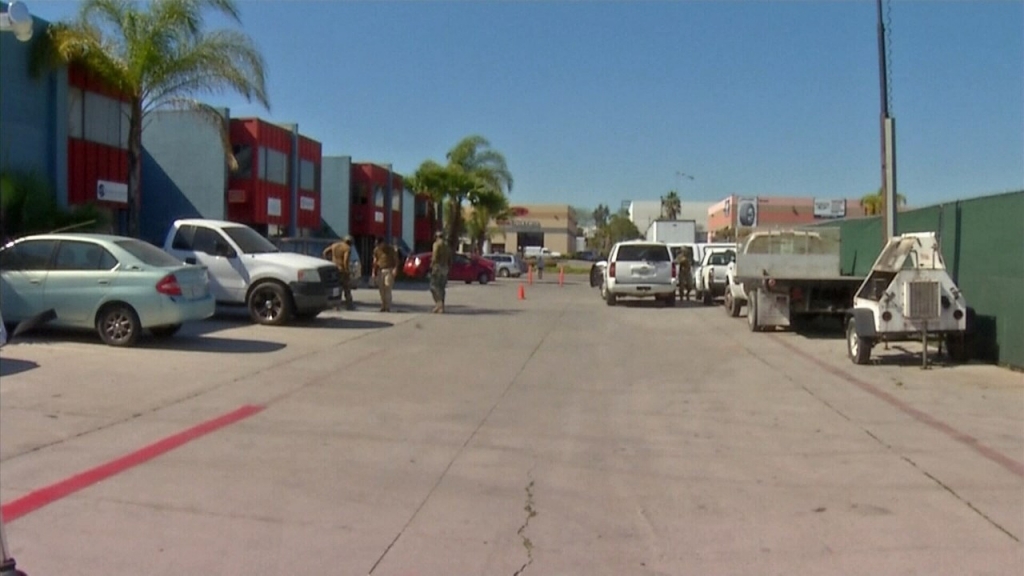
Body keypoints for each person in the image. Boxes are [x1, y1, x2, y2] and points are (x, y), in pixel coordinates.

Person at [321, 235, 355, 310]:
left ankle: (336, 305)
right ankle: (349, 305)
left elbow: (325, 252)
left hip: (334, 268)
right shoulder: (347, 248)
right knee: (346, 288)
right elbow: (345, 260)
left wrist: (327, 260)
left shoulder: (335, 245)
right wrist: (347, 271)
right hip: (342, 269)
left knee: (336, 287)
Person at [372, 236, 399, 312]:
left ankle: (387, 306)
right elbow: (375, 261)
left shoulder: (391, 249)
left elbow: (396, 260)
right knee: (381, 289)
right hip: (380, 270)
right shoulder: (376, 250)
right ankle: (383, 305)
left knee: (387, 287)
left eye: (379, 244)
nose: (378, 246)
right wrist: (373, 272)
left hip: (389, 270)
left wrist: (395, 269)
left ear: (383, 243)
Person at [429, 230, 452, 313]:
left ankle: (439, 304)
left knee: (433, 286)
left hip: (438, 267)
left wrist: (432, 264)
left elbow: (435, 255)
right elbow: (450, 258)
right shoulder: (447, 245)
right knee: (442, 287)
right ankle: (440, 306)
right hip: (445, 267)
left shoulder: (437, 244)